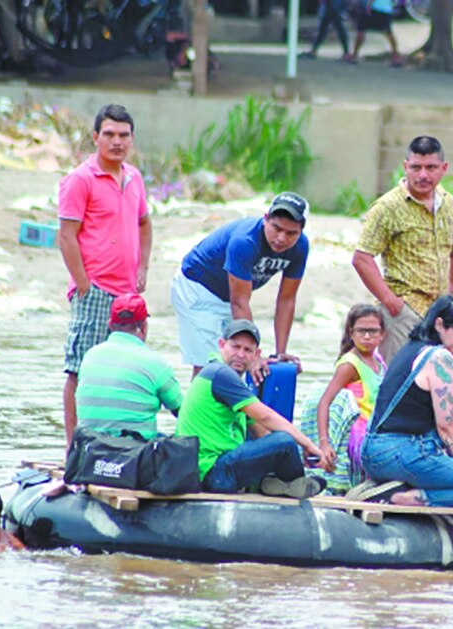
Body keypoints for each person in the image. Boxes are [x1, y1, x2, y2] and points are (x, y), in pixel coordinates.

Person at [59, 104, 152, 448]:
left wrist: (143, 267)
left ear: (132, 139)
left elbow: (144, 223)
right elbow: (66, 236)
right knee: (80, 369)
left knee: (125, 370)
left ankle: (115, 444)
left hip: (128, 293)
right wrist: (84, 285)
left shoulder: (134, 177)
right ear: (96, 137)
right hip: (95, 290)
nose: (117, 142)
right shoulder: (80, 179)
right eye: (109, 134)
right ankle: (74, 447)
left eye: (124, 135)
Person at [360, 296, 453, 507]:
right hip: (403, 453)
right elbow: (446, 426)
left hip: (373, 452)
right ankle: (400, 498)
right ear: (440, 324)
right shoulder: (440, 357)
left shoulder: (410, 348)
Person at [175, 319, 329, 497]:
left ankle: (282, 483)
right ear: (222, 345)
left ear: (257, 354)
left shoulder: (229, 383)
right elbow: (266, 417)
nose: (240, 354)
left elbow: (261, 433)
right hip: (212, 472)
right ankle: (294, 485)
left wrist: (296, 455)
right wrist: (309, 446)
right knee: (284, 441)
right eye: (235, 347)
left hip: (211, 470)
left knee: (281, 443)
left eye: (247, 350)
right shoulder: (220, 374)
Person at [352, 136, 453, 364]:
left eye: (431, 168)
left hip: (440, 315)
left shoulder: (448, 203)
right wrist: (391, 302)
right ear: (405, 167)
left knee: (435, 376)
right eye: (416, 167)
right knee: (401, 377)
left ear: (443, 168)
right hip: (403, 311)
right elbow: (362, 258)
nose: (423, 175)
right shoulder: (388, 206)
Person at [172, 192, 310, 380]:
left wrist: (280, 353)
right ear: (265, 219)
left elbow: (286, 299)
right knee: (208, 365)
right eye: (276, 228)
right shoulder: (245, 241)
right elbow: (239, 303)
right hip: (198, 289)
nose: (281, 238)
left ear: (301, 231)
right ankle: (198, 398)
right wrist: (255, 357)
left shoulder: (301, 247)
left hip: (230, 296)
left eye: (291, 233)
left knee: (239, 360)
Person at [297, 304, 387, 494]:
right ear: (351, 333)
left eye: (373, 331)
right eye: (361, 331)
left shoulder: (378, 360)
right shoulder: (349, 364)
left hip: (374, 430)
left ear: (382, 334)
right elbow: (324, 402)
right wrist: (324, 443)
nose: (367, 337)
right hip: (357, 437)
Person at [76, 294, 182, 440]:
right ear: (144, 327)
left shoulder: (90, 356)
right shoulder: (155, 362)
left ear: (110, 325)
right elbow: (181, 410)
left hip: (89, 447)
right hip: (135, 450)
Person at [346, 0, 403, 67]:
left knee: (361, 31)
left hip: (373, 8)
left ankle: (354, 55)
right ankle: (396, 57)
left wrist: (368, 6)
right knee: (388, 33)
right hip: (386, 10)